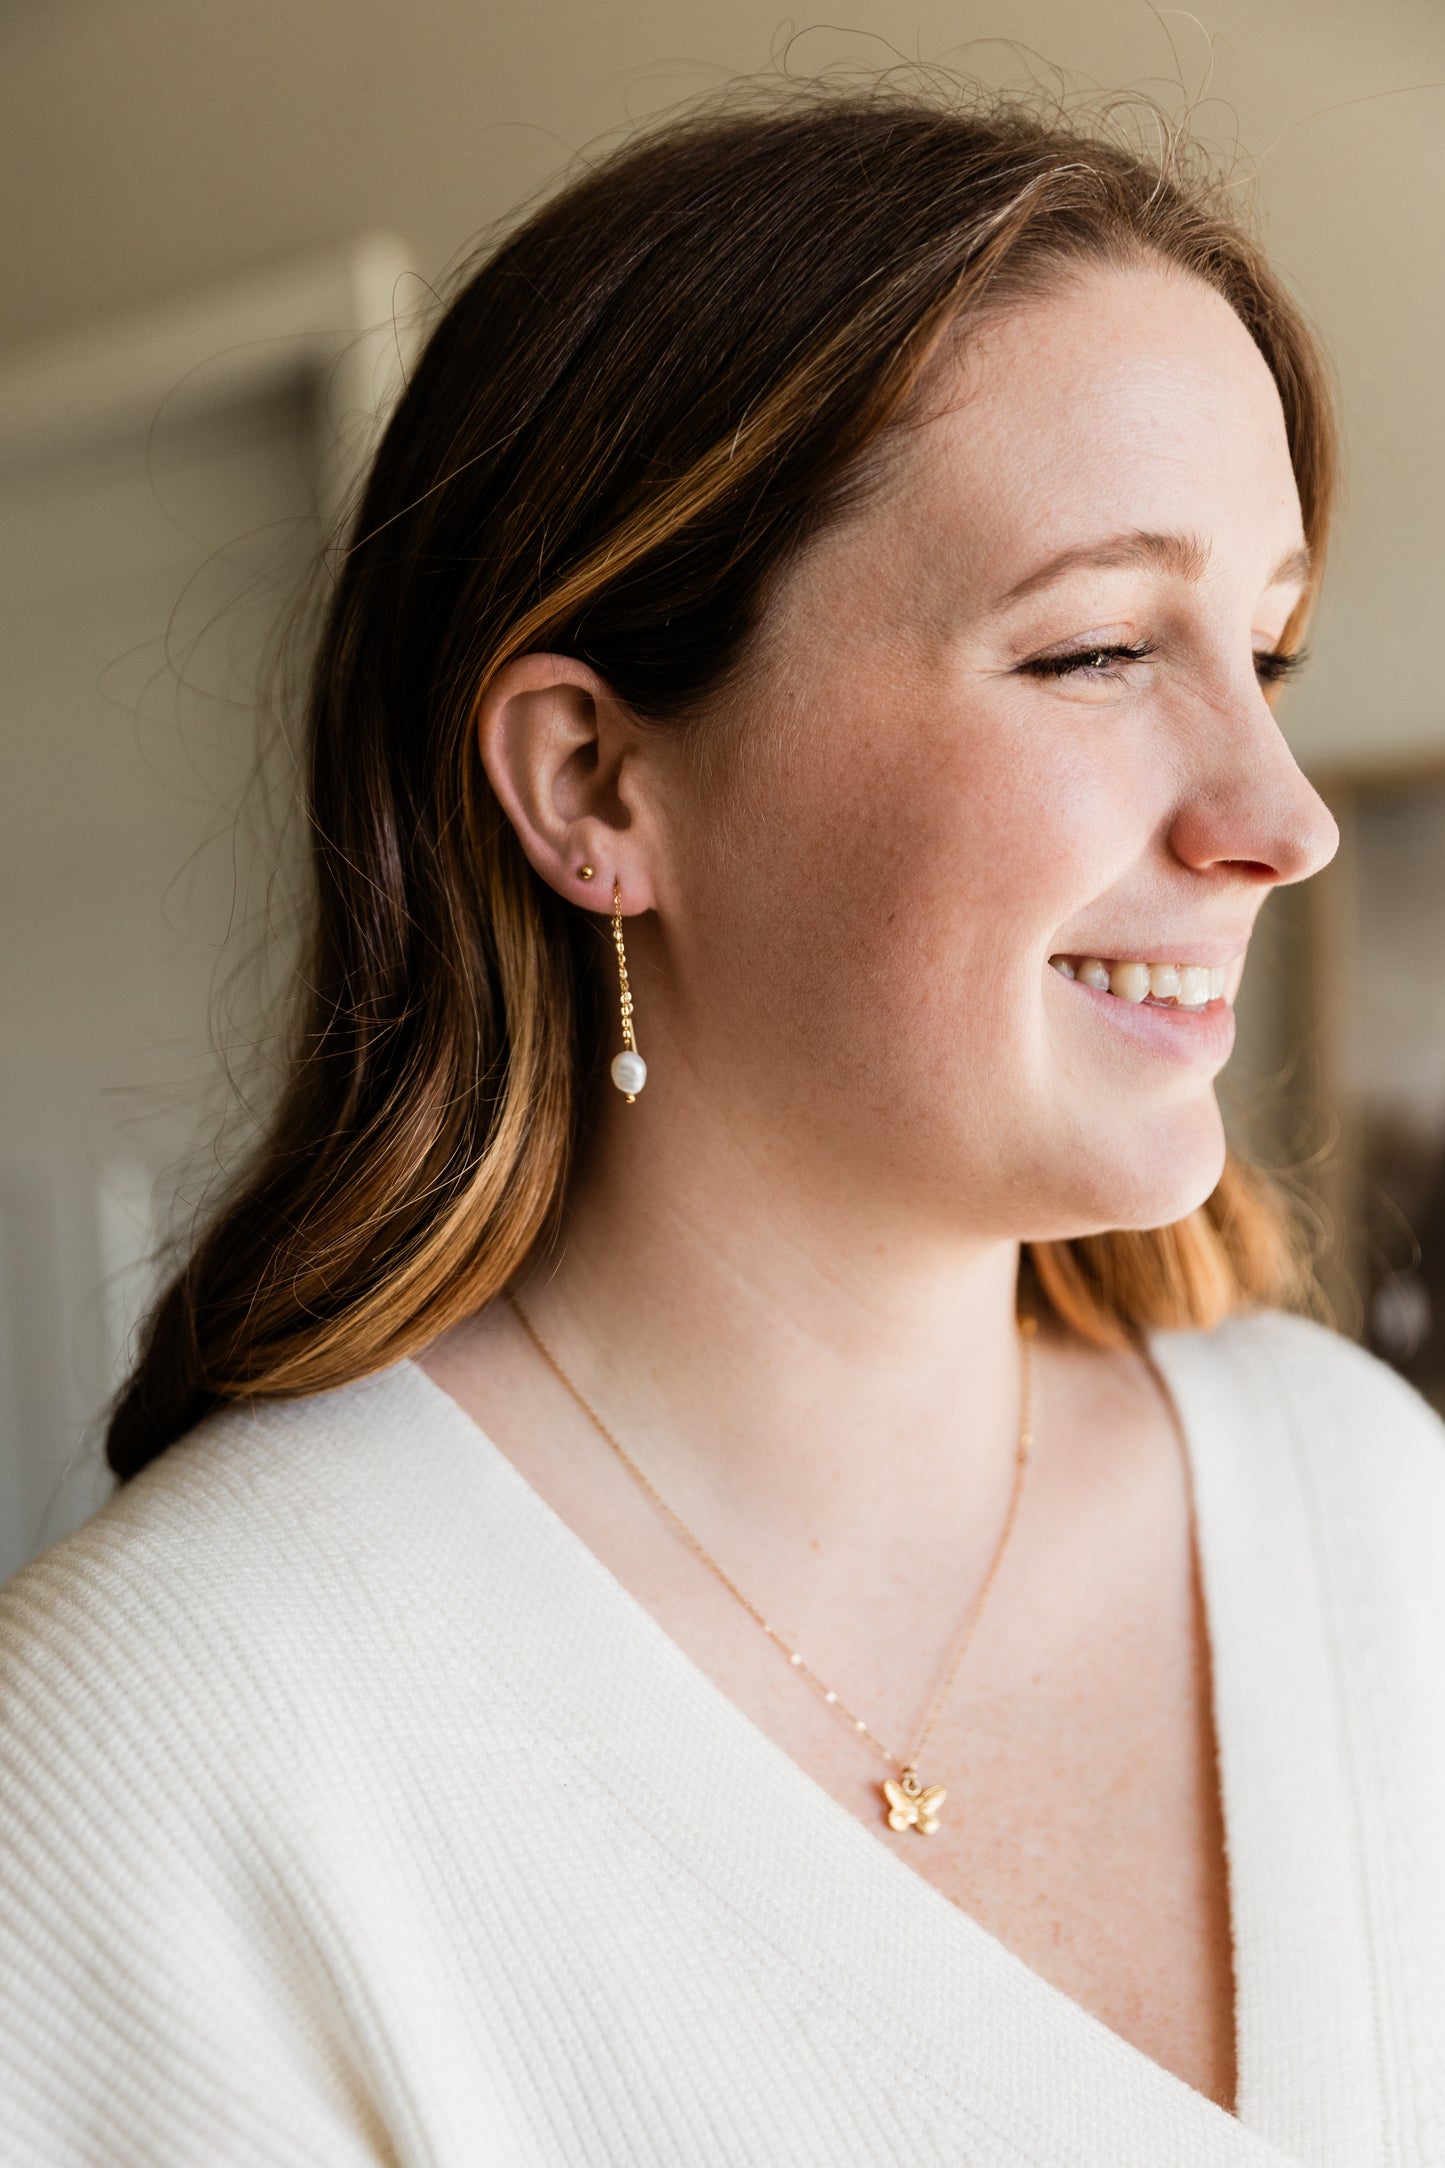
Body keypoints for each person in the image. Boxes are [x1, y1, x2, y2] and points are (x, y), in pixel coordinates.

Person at [3, 79, 1443, 2167]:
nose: (1282, 819)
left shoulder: (1365, 1512)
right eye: (1102, 647)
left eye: (1271, 649)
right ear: (595, 782)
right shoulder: (165, 1770)